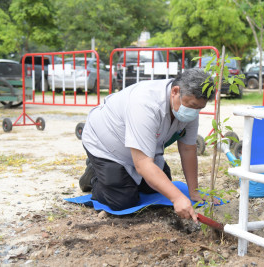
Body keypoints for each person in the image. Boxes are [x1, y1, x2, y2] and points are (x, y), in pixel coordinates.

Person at [79, 68, 214, 223]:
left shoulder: (189, 107)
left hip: (140, 150)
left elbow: (188, 148)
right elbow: (143, 165)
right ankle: (94, 176)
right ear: (175, 91)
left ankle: (117, 177)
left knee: (159, 186)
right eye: (192, 105)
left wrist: (194, 191)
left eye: (200, 108)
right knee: (122, 201)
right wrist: (177, 198)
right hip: (106, 146)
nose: (194, 112)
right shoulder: (145, 103)